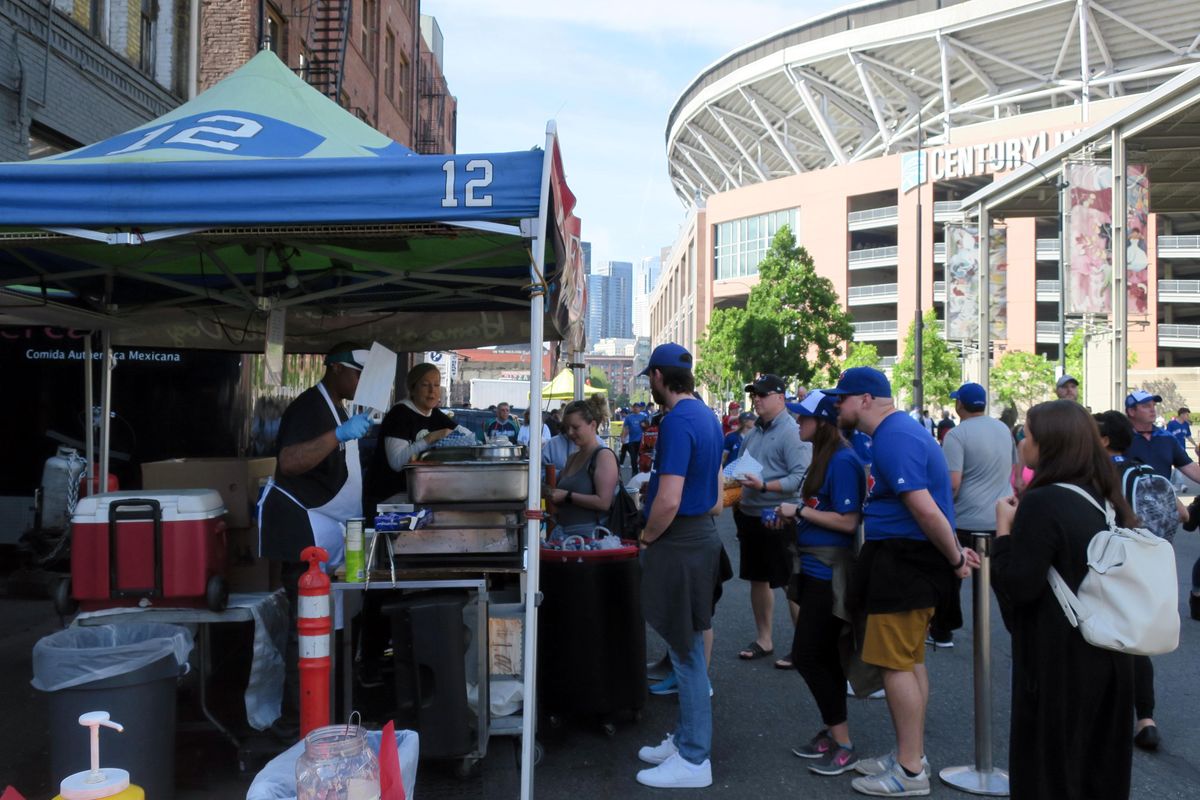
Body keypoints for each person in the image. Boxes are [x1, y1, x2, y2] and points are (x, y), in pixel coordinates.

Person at [826, 367, 977, 797]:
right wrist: (950, 552)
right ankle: (911, 756)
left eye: (844, 397)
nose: (838, 405)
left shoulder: (894, 436)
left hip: (905, 560)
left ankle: (910, 770)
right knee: (909, 661)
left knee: (896, 664)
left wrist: (953, 559)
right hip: (907, 556)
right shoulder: (896, 433)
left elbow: (925, 507)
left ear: (867, 399)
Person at [992, 400, 1135, 800]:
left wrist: (1003, 533)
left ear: (1049, 444)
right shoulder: (1104, 495)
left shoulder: (1044, 500)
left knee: (1049, 771)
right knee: (1096, 769)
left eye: (1028, 434)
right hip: (1109, 650)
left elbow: (1020, 586)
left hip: (1059, 659)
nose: (1022, 442)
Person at [257, 342, 373, 732]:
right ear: (337, 369)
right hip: (301, 532)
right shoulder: (310, 407)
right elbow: (289, 461)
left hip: (326, 531)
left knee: (325, 627)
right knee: (305, 631)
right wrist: (338, 435)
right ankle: (298, 721)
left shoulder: (337, 405)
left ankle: (325, 710)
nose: (362, 382)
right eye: (358, 374)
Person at [635, 343, 724, 789]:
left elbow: (669, 498)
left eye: (649, 378)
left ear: (657, 377)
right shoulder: (707, 416)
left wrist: (647, 537)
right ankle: (688, 739)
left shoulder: (677, 422)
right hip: (699, 537)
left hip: (681, 541)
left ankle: (694, 758)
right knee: (684, 649)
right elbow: (713, 497)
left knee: (686, 654)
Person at [772, 390, 864, 776]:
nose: (797, 422)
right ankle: (833, 731)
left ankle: (843, 743)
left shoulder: (842, 460)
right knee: (820, 654)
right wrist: (797, 516)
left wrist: (800, 511)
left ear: (822, 422)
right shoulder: (827, 456)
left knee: (812, 654)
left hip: (830, 574)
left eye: (803, 418)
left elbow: (847, 521)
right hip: (814, 571)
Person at [1093, 410, 1183, 752]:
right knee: (1137, 644)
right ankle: (1146, 719)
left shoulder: (1099, 474)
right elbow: (1182, 514)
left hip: (1112, 563)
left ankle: (1104, 718)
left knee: (1104, 636)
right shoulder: (1142, 469)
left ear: (1103, 440)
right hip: (1147, 564)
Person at [927, 382, 1017, 648]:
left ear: (960, 405)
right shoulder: (1003, 429)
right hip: (1000, 517)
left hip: (966, 519)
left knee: (951, 573)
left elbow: (953, 483)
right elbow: (1012, 468)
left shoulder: (957, 435)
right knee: (1002, 583)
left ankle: (942, 630)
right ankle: (1020, 629)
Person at [734, 374, 810, 662]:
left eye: (763, 395)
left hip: (779, 515)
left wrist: (765, 485)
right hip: (751, 515)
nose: (756, 399)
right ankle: (763, 639)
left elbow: (800, 478)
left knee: (790, 583)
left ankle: (803, 647)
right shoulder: (753, 433)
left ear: (781, 398)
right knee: (758, 579)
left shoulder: (792, 431)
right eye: (754, 394)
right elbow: (740, 469)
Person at [363, 363, 457, 515]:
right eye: (425, 385)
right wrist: (429, 438)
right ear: (412, 389)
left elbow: (465, 435)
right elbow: (397, 462)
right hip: (389, 499)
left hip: (418, 497)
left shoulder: (436, 415)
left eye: (436, 385)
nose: (432, 391)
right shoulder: (399, 414)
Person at [542, 395, 619, 540]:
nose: (570, 433)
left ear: (593, 425)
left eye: (576, 427)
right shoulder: (572, 458)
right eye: (567, 427)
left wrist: (567, 496)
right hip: (564, 537)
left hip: (590, 540)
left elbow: (604, 502)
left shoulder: (603, 456)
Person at [621, 401, 650, 469]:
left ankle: (642, 470)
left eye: (638, 407)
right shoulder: (628, 417)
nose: (636, 408)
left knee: (642, 456)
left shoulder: (644, 416)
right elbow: (626, 428)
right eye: (635, 407)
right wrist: (623, 437)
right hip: (632, 440)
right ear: (632, 408)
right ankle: (634, 471)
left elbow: (648, 427)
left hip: (641, 440)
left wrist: (645, 425)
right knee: (633, 457)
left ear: (640, 408)